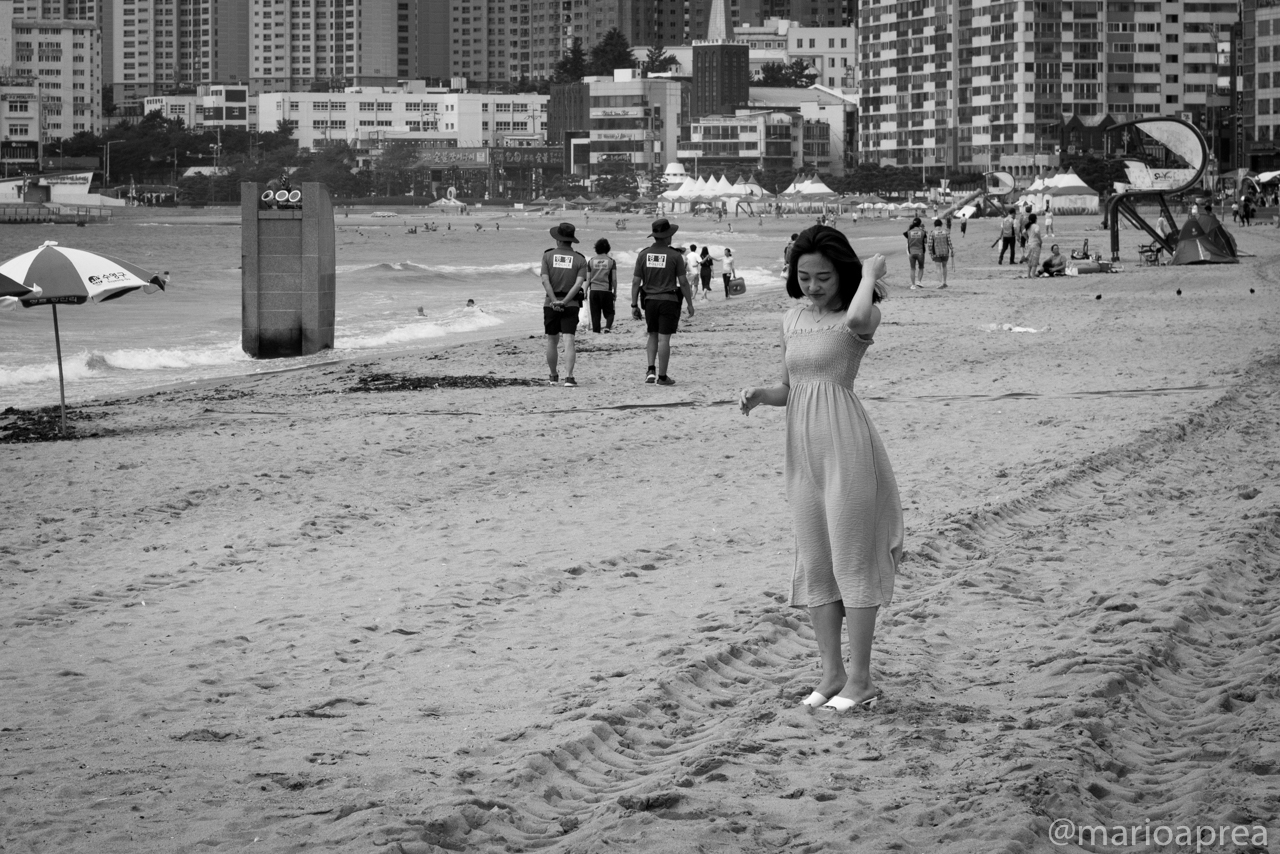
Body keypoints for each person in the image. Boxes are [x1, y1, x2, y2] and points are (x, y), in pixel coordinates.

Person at [738, 226, 903, 713]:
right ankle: (831, 673)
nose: (813, 286)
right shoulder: (791, 320)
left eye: (824, 277)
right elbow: (787, 387)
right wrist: (759, 395)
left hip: (847, 444)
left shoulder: (863, 312)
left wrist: (869, 273)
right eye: (804, 276)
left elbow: (854, 315)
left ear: (844, 273)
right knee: (815, 562)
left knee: (852, 561)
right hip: (801, 448)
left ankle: (861, 678)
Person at [631, 218, 695, 385]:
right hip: (669, 300)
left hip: (649, 301)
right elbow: (683, 282)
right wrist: (690, 303)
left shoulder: (643, 254)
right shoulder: (675, 256)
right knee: (664, 339)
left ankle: (650, 370)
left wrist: (633, 304)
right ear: (668, 236)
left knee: (652, 334)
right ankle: (663, 377)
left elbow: (636, 282)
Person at [540, 222, 588, 387]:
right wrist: (565, 301)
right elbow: (578, 284)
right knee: (569, 340)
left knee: (552, 341)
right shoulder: (580, 259)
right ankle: (569, 377)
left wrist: (554, 301)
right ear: (571, 240)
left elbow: (545, 281)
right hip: (572, 304)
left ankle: (553, 376)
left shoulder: (547, 256)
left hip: (550, 303)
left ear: (558, 240)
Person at [586, 237, 617, 333]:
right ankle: (607, 327)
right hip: (606, 291)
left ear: (596, 249)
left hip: (594, 291)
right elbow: (614, 279)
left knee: (595, 314)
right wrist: (614, 292)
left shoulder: (591, 261)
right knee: (610, 312)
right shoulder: (611, 261)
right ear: (608, 248)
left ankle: (596, 331)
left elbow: (588, 279)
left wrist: (585, 291)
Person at [926, 218, 951, 288]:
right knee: (944, 266)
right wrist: (952, 250)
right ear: (941, 225)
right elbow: (949, 242)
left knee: (938, 268)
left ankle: (940, 283)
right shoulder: (946, 232)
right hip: (945, 252)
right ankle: (945, 282)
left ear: (934, 225)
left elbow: (930, 244)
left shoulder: (932, 233)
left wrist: (930, 253)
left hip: (936, 252)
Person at [903, 217, 927, 288]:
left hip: (911, 252)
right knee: (921, 267)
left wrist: (910, 227)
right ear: (920, 224)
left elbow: (905, 234)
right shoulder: (922, 232)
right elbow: (925, 241)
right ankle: (919, 281)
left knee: (912, 268)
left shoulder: (909, 232)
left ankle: (913, 285)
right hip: (920, 252)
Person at [1022, 213, 1042, 279]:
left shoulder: (1028, 226)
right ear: (1035, 219)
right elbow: (1037, 232)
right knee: (1035, 260)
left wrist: (1027, 239)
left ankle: (1028, 275)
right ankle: (1033, 275)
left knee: (1030, 261)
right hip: (1035, 244)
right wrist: (1039, 239)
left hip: (1029, 244)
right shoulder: (1036, 226)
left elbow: (1023, 232)